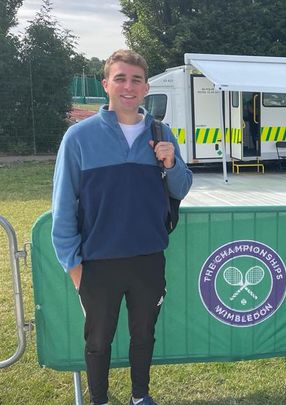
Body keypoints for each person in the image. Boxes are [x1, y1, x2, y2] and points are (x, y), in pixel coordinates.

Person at [52, 49, 193, 405]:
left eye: (135, 80)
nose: (128, 86)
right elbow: (64, 207)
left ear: (146, 87)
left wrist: (171, 162)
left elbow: (182, 187)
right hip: (98, 262)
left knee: (143, 334)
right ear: (106, 84)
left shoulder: (162, 133)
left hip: (147, 258)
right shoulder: (79, 138)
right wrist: (74, 266)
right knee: (98, 339)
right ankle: (98, 398)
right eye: (120, 78)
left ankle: (140, 396)